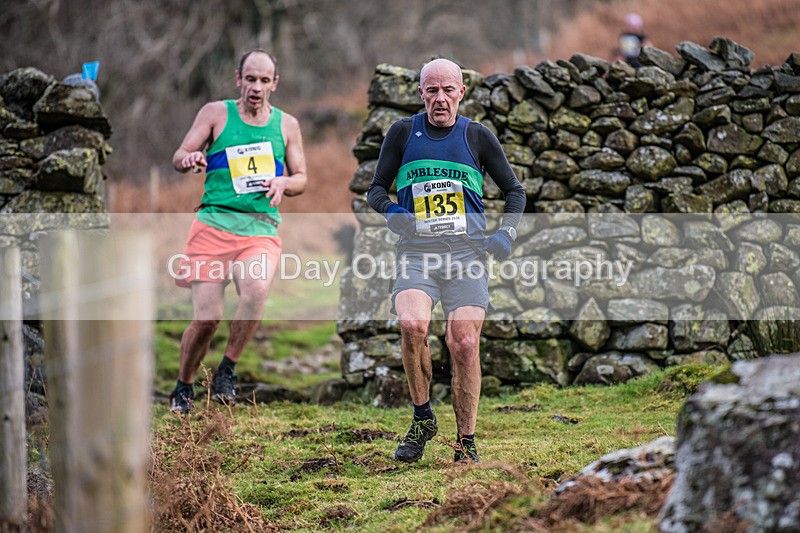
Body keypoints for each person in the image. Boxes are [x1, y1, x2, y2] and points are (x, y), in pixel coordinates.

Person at [367, 58, 526, 463]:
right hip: (417, 254)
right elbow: (376, 189)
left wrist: (505, 234)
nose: (440, 98)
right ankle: (423, 419)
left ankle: (466, 442)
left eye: (447, 90)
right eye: (431, 90)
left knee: (465, 342)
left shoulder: (477, 136)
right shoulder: (403, 133)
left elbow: (515, 191)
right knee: (411, 324)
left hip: (467, 256)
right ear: (421, 93)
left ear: (461, 92)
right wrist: (392, 212)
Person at [168, 49, 307, 413]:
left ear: (275, 84)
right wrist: (189, 159)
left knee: (256, 288)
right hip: (213, 224)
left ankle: (227, 369)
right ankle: (183, 386)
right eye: (250, 79)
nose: (256, 87)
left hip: (259, 227)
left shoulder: (287, 125)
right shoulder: (216, 113)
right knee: (207, 318)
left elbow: (302, 177)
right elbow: (181, 153)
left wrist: (284, 183)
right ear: (238, 79)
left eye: (264, 80)